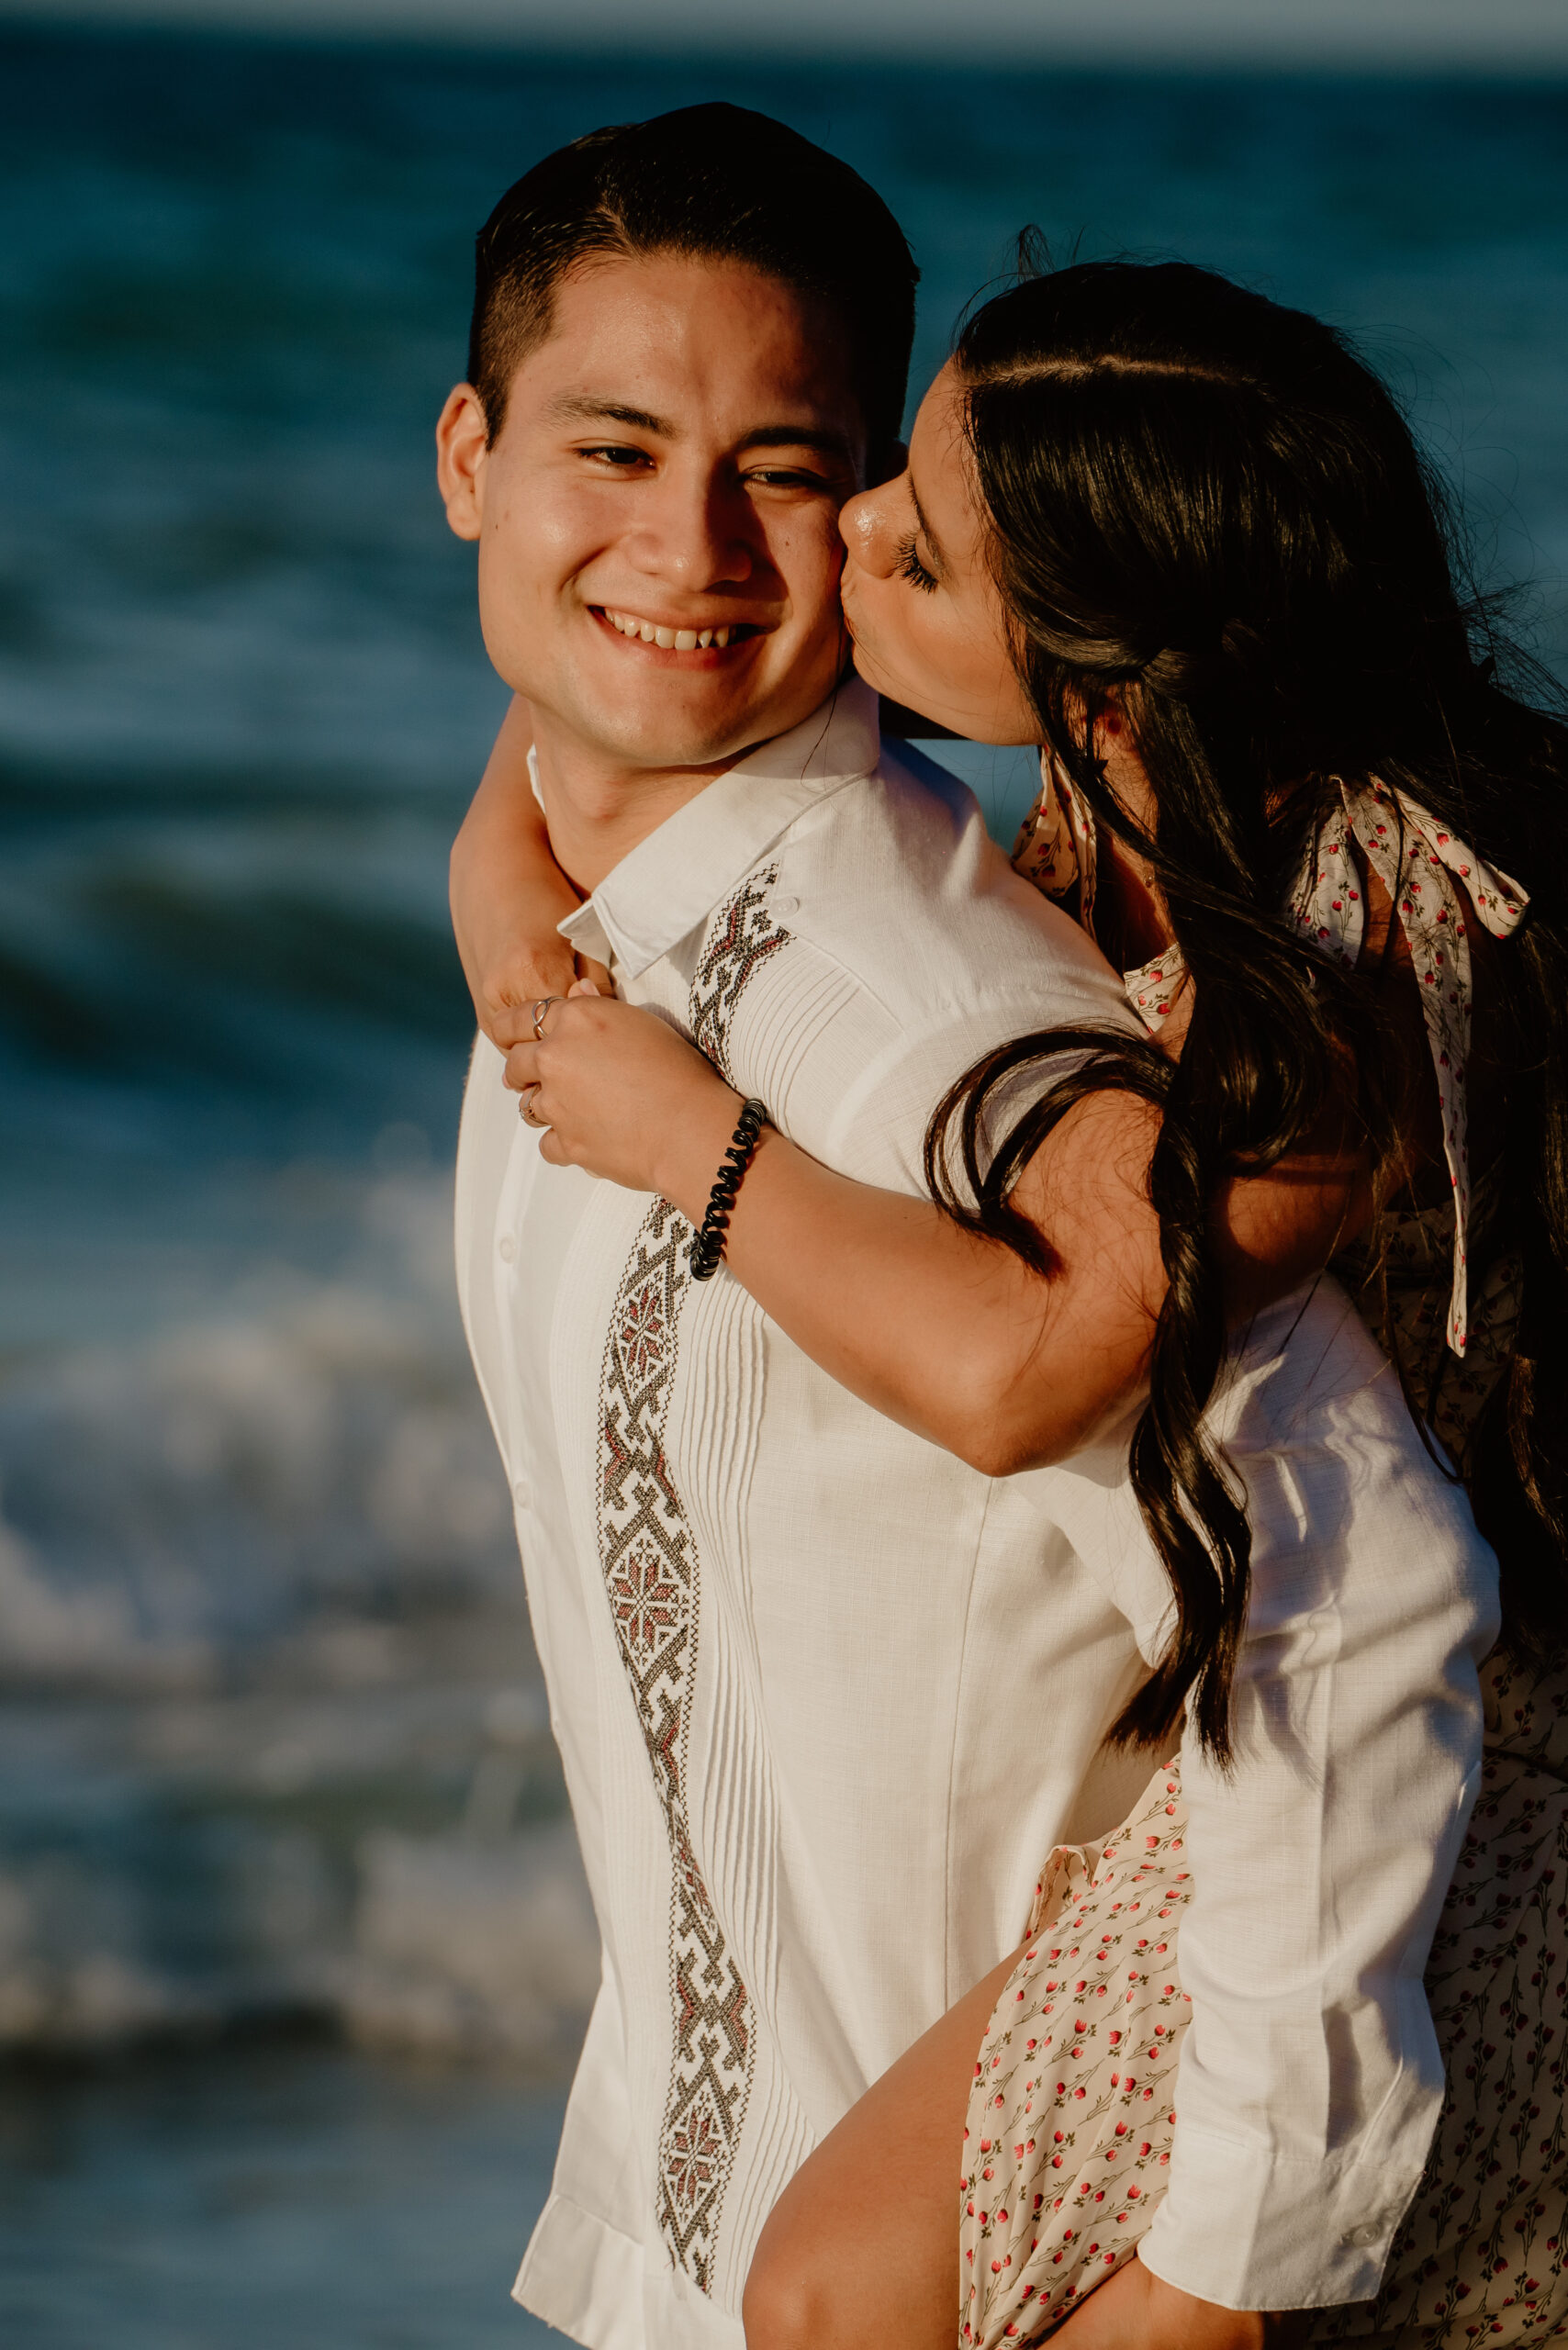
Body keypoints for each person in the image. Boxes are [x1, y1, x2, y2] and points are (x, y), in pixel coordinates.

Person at [442, 125, 1495, 2350]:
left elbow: (1325, 1543)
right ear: (468, 458)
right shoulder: (646, 919)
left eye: (811, 485)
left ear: (1091, 663)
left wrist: (1216, 2266)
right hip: (705, 2215)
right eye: (610, 449)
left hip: (1028, 2244)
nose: (718, 547)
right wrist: (518, 911)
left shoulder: (1050, 1033)